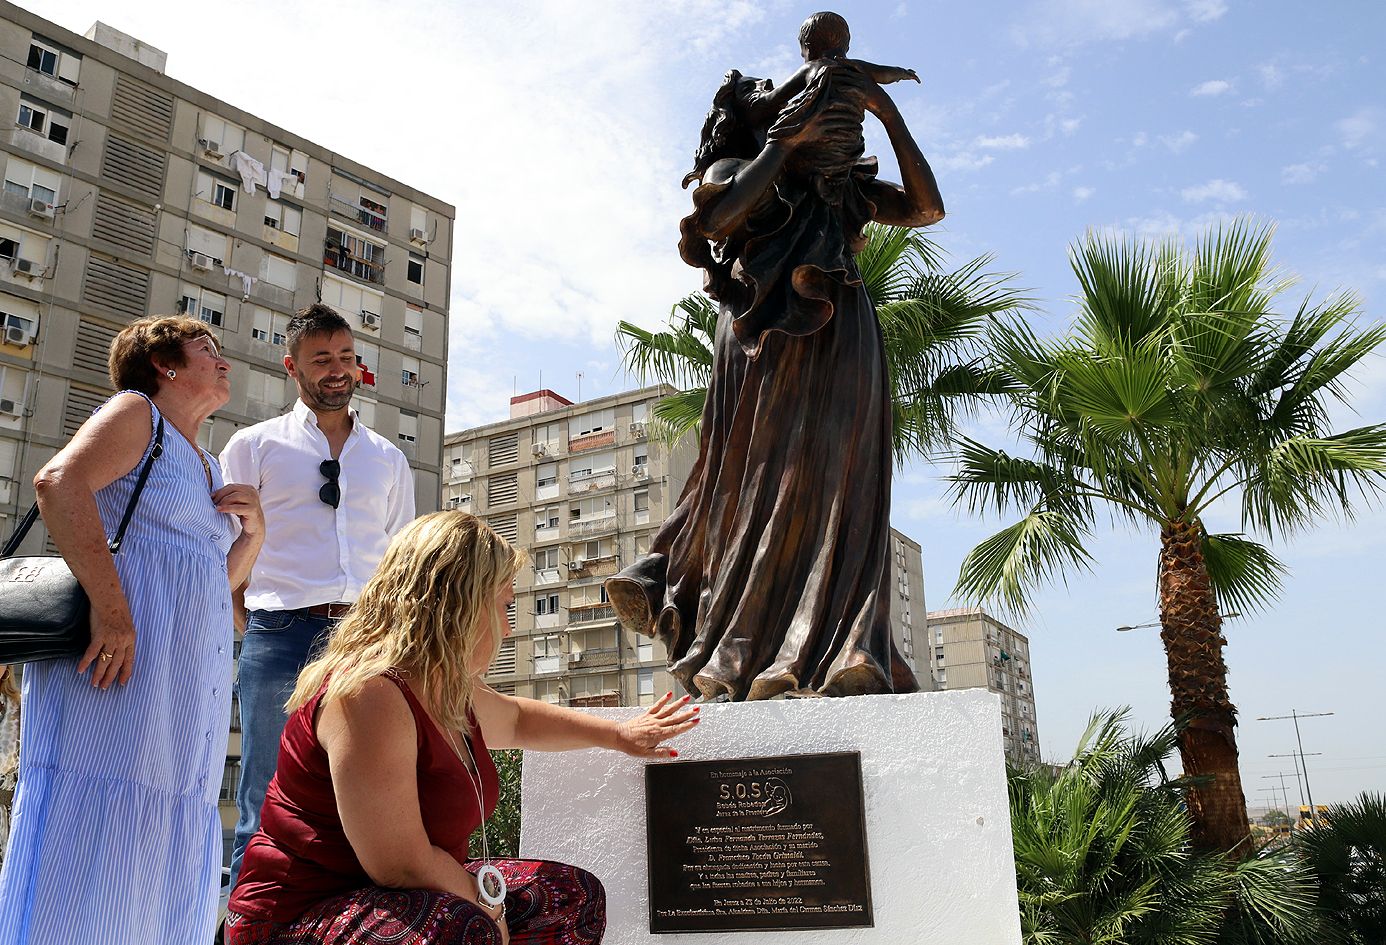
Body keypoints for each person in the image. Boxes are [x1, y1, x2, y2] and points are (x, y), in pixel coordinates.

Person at [607, 42, 944, 702]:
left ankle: (843, 648)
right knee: (752, 485)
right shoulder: (742, 164)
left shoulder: (840, 188)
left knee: (840, 481)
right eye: (774, 90)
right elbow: (724, 215)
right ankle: (740, 649)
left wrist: (891, 115)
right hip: (762, 332)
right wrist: (785, 144)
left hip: (842, 330)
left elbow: (927, 208)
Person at [225, 511, 699, 944]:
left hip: (413, 898)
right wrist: (484, 905)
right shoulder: (367, 694)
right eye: (504, 605)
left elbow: (517, 720)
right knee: (461, 928)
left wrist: (618, 735)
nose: (508, 628)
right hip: (296, 918)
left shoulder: (443, 686)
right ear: (459, 606)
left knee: (570, 896)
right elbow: (400, 865)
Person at [0, 316, 264, 943]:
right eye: (208, 349)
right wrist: (113, 611)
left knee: (154, 845)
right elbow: (58, 484)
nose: (223, 360)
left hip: (180, 694)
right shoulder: (136, 412)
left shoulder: (206, 461)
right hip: (115, 670)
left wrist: (254, 536)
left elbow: (215, 592)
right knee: (96, 827)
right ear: (164, 365)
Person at [220, 303, 415, 890]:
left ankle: (350, 921)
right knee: (266, 790)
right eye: (322, 359)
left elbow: (401, 560)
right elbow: (226, 556)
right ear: (292, 367)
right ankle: (246, 921)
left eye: (347, 358)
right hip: (279, 635)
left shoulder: (388, 457)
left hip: (366, 642)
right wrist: (253, 621)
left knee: (369, 790)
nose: (337, 370)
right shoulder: (252, 446)